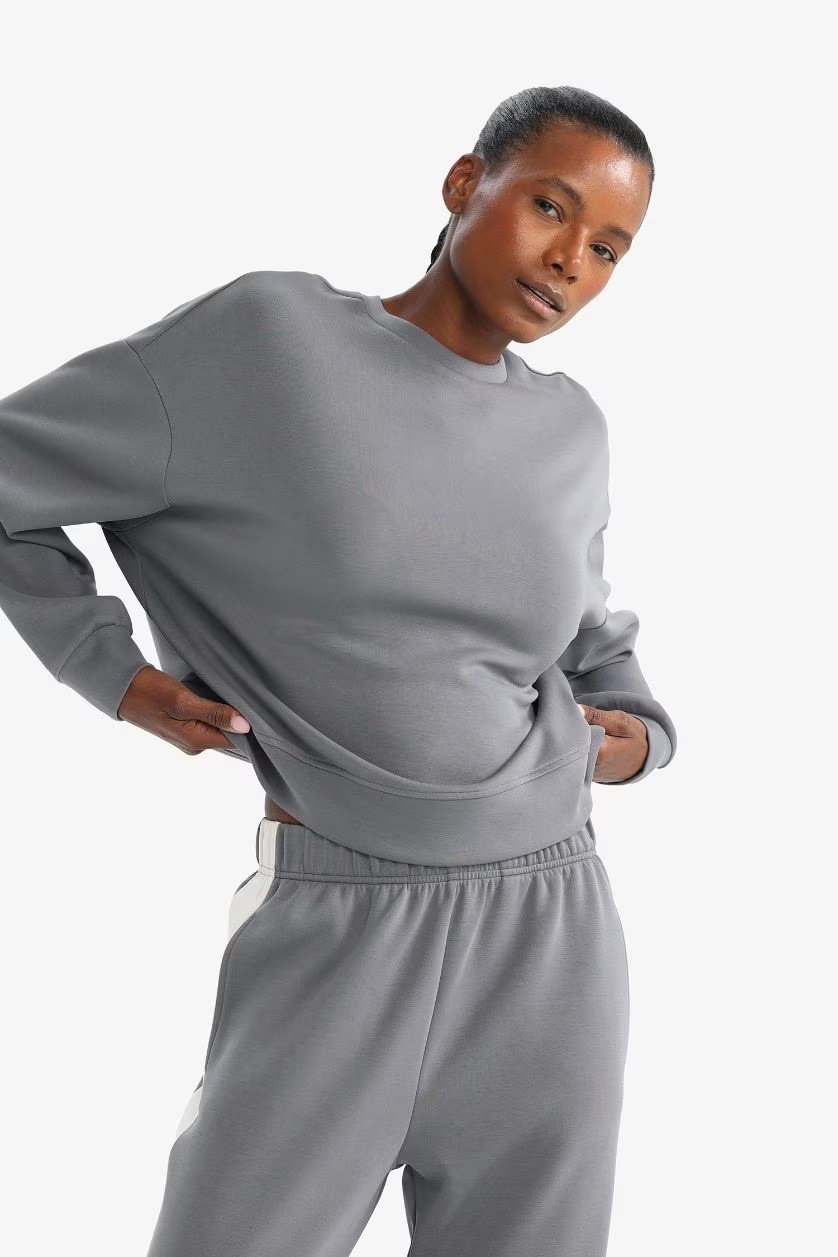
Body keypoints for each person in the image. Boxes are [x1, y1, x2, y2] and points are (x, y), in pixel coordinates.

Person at [0, 84, 677, 1256]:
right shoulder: (266, 342)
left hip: (553, 931)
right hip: (339, 916)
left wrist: (635, 736)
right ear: (465, 184)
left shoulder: (568, 428)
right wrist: (111, 675)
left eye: (609, 248)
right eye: (549, 207)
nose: (571, 259)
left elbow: (588, 641)